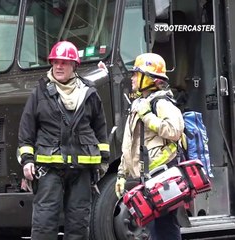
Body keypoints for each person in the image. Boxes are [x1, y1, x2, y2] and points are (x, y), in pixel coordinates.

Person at [18, 41, 110, 240]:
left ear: (74, 66)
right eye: (55, 62)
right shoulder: (40, 93)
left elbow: (100, 129)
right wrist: (27, 160)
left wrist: (103, 162)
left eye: (64, 62)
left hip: (82, 170)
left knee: (78, 224)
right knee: (44, 223)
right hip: (48, 170)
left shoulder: (89, 92)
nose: (59, 66)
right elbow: (26, 131)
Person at [115, 53, 184, 240]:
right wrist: (122, 174)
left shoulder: (161, 102)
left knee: (165, 226)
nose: (132, 78)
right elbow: (130, 144)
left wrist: (147, 116)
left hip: (164, 175)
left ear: (150, 79)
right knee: (153, 228)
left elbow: (175, 130)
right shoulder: (139, 104)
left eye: (137, 74)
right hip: (149, 177)